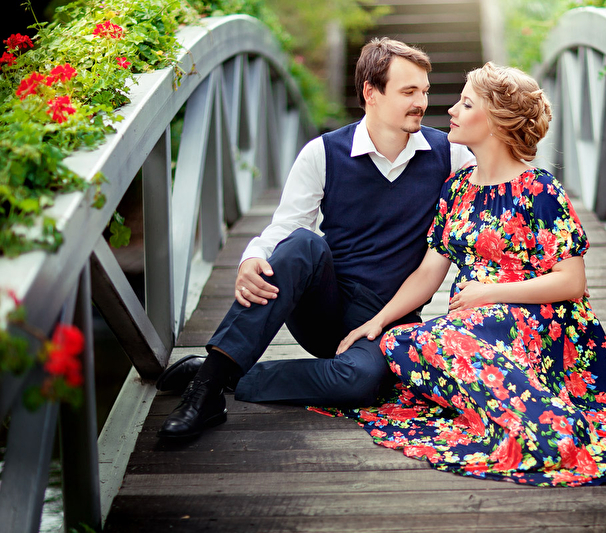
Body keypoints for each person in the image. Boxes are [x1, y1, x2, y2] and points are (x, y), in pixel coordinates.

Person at [334, 62, 606, 486]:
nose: (451, 110)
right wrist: (379, 321)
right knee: (400, 341)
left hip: (538, 320)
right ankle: (517, 410)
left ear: (495, 120)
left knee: (443, 340)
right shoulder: (457, 188)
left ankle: (549, 427)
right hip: (474, 322)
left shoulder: (540, 189)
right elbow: (428, 272)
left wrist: (490, 292)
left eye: (466, 103)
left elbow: (572, 283)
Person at [156, 38, 475, 439]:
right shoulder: (323, 152)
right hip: (325, 307)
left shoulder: (452, 156)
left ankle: (220, 373)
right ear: (370, 93)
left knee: (361, 382)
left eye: (424, 91)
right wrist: (252, 257)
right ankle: (205, 394)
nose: (422, 102)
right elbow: (286, 226)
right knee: (303, 243)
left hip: (388, 319)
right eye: (408, 91)